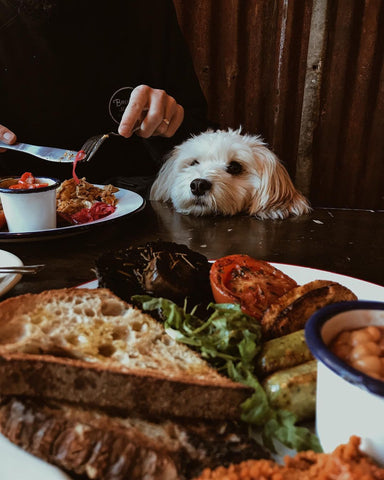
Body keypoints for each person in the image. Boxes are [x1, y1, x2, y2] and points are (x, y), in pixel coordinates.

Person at [0, 0, 209, 194]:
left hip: (134, 206)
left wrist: (166, 121)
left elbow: (197, 133)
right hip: (13, 210)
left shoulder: (148, 8)